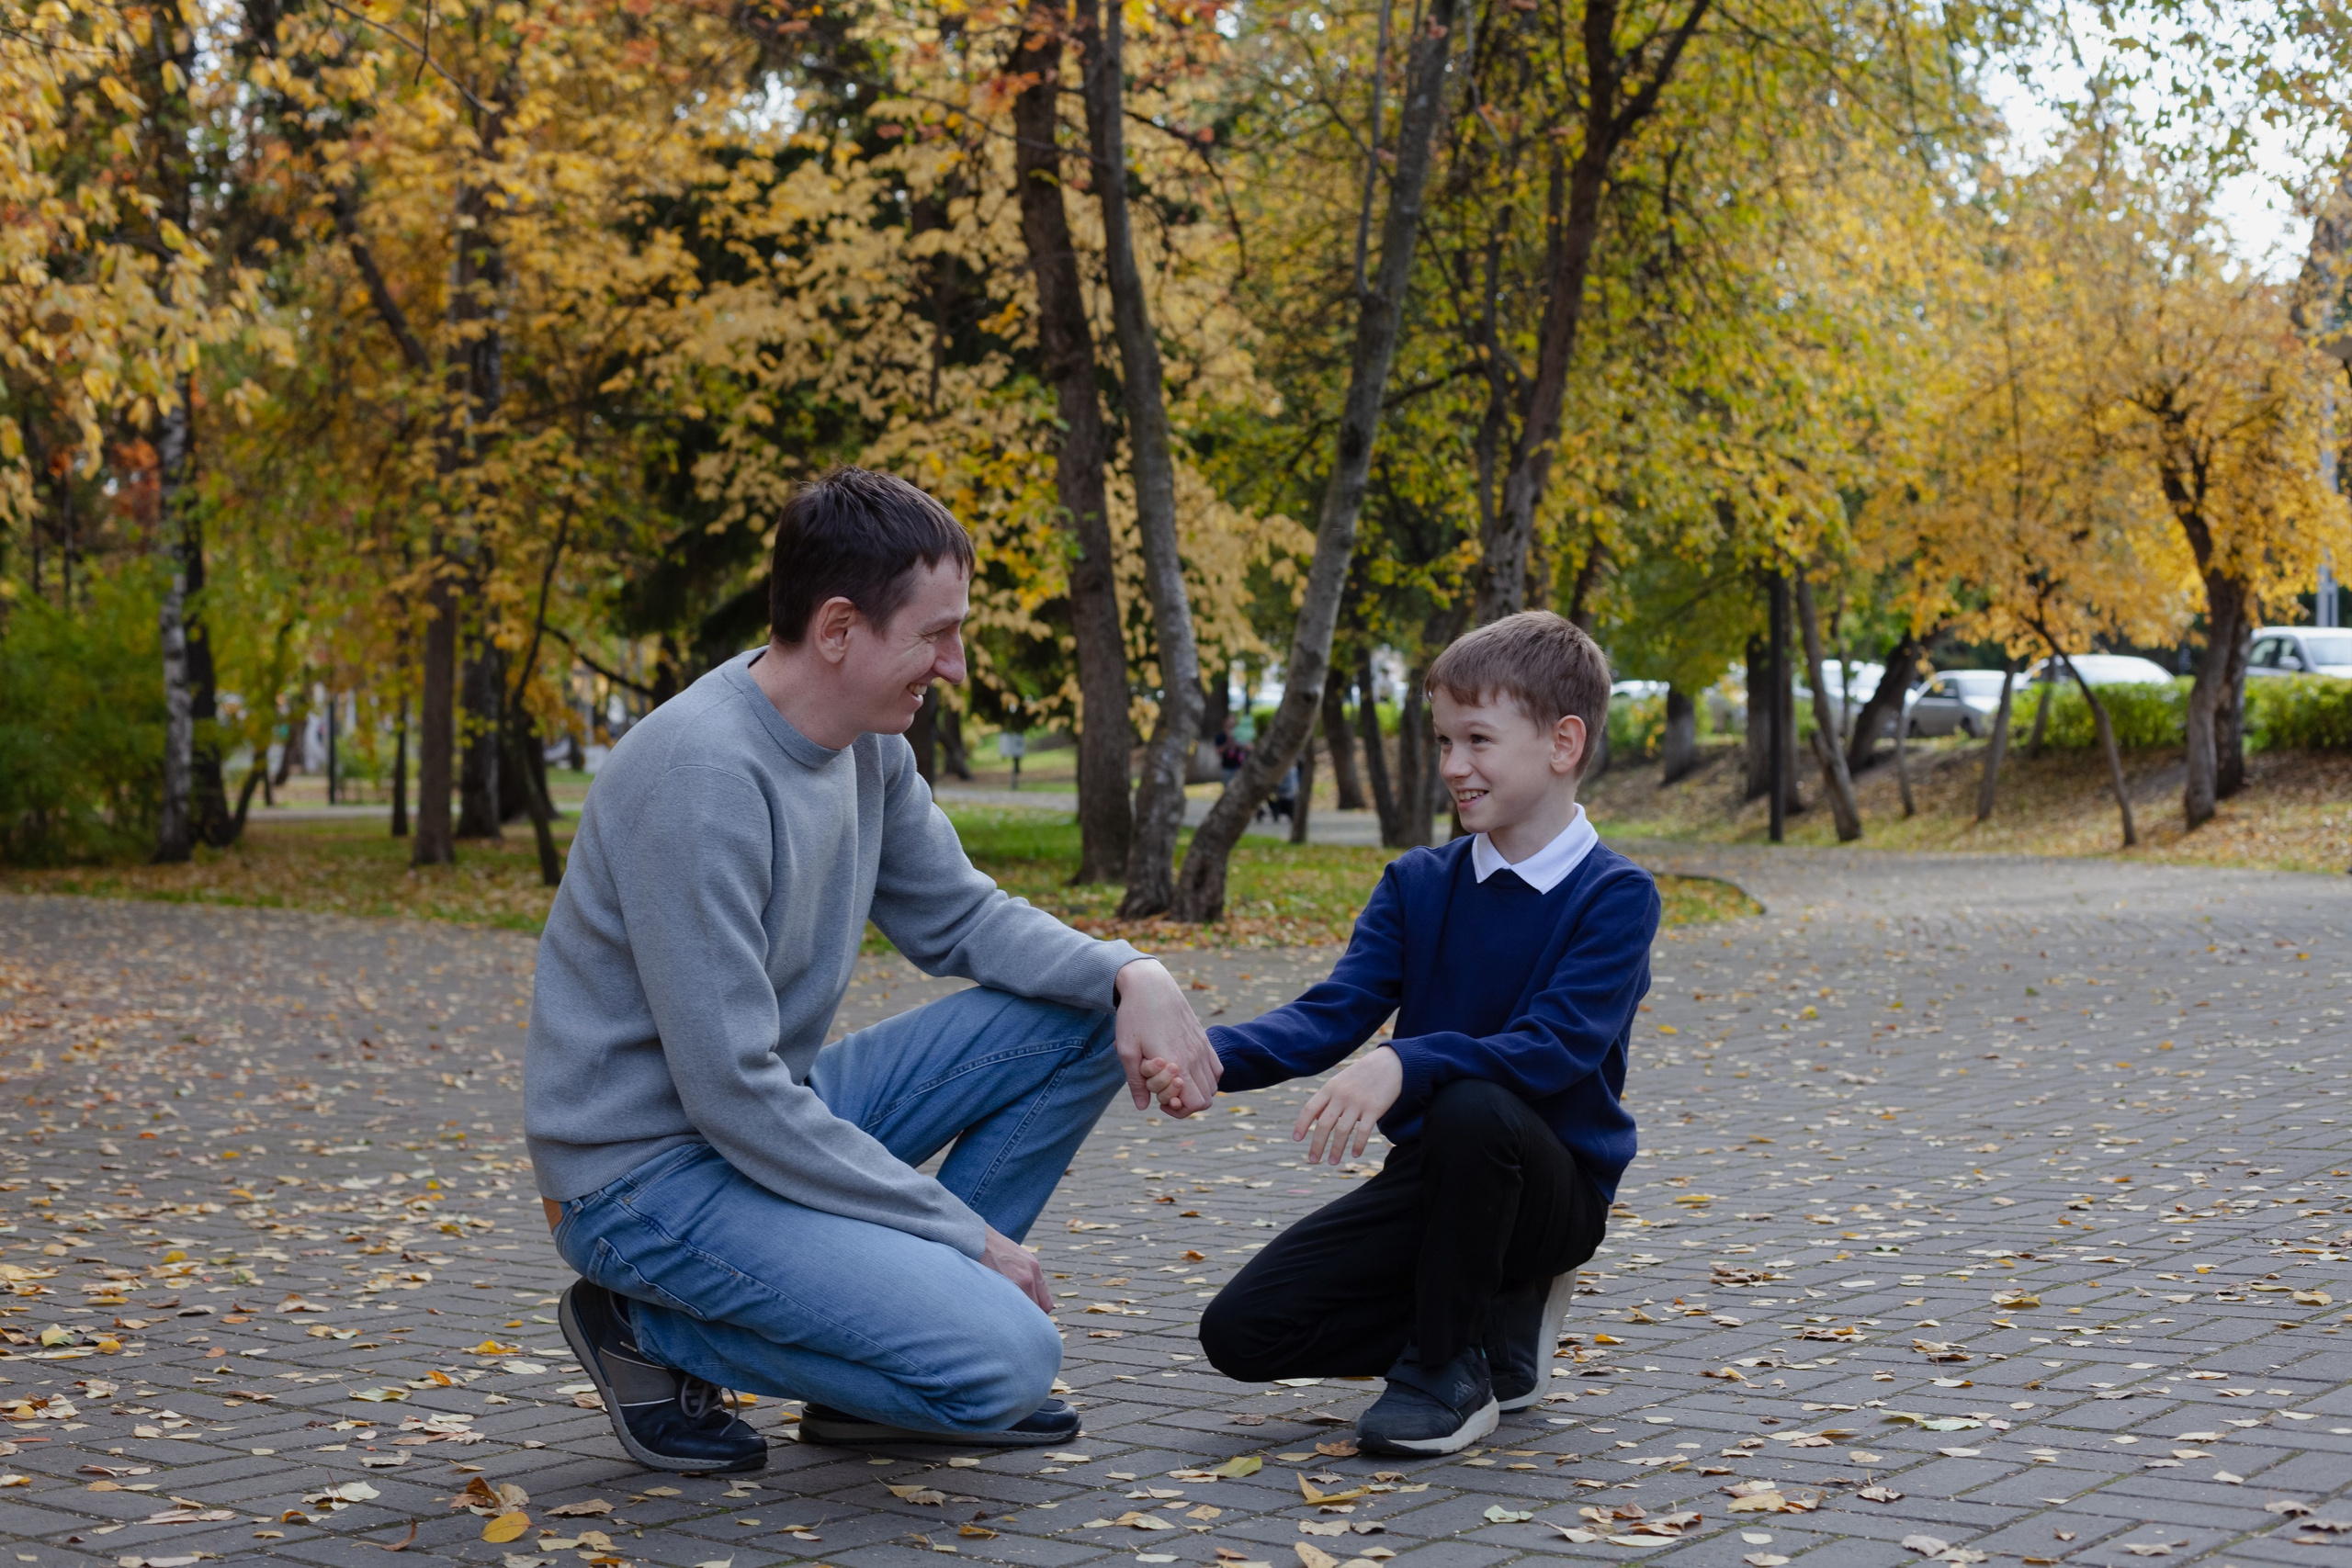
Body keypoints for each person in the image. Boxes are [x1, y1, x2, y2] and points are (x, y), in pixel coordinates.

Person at [526, 468, 1219, 1475]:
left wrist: (1132, 971)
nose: (954, 666)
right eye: (935, 635)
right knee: (1009, 1362)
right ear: (840, 627)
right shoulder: (699, 774)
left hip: (760, 1123)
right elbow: (728, 1089)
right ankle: (645, 1332)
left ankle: (887, 1383)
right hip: (642, 1183)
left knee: (1079, 1008)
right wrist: (960, 1236)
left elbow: (961, 916)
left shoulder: (865, 748)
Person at [1196, 611, 1657, 1455]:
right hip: (1439, 1183)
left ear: (1562, 743)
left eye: (1477, 740)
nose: (1453, 766)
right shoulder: (1419, 882)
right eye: (1443, 741)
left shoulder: (1615, 896)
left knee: (1474, 1105)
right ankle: (1486, 1330)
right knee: (1241, 1332)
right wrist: (1206, 1056)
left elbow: (1552, 1048)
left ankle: (1446, 1370)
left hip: (1549, 1194)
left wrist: (1405, 1061)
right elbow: (1334, 1009)